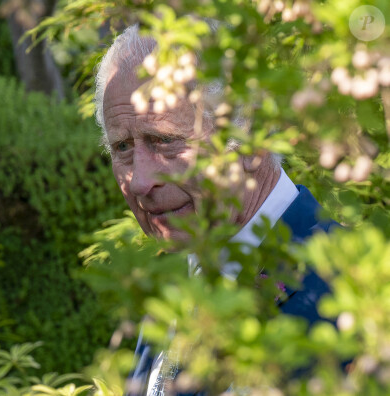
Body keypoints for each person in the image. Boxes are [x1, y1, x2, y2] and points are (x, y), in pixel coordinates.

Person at [94, 25, 339, 396]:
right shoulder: (173, 288)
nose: (140, 181)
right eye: (123, 147)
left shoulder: (342, 289)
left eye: (164, 140)